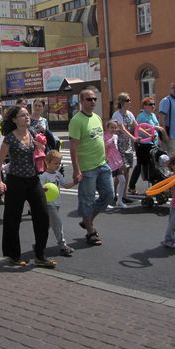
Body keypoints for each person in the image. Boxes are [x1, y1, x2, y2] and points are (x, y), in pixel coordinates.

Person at [0, 105, 55, 268]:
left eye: (27, 114)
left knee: (42, 215)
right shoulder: (10, 138)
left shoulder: (33, 133)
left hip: (33, 180)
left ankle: (40, 254)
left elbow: (42, 154)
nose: (27, 117)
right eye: (22, 115)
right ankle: (13, 255)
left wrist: (42, 149)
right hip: (15, 180)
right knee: (13, 219)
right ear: (14, 120)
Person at [68, 89, 114, 246]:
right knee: (87, 201)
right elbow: (73, 148)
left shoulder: (97, 117)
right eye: (89, 99)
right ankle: (90, 231)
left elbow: (99, 139)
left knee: (108, 195)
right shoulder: (76, 121)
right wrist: (76, 169)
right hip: (87, 169)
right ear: (81, 101)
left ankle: (87, 220)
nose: (93, 101)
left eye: (94, 99)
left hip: (102, 164)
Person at [38, 150, 77, 256]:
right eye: (55, 163)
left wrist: (75, 181)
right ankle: (63, 245)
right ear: (47, 162)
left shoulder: (58, 174)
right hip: (49, 204)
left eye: (59, 163)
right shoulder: (44, 176)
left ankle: (39, 245)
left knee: (48, 225)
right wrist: (43, 190)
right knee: (58, 224)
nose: (58, 165)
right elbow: (39, 190)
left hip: (57, 203)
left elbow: (66, 185)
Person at [129, 97, 169, 195]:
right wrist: (153, 129)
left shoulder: (153, 115)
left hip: (153, 144)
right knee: (141, 165)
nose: (153, 106)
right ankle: (132, 186)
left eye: (154, 104)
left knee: (154, 165)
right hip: (143, 145)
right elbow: (138, 132)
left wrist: (158, 137)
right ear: (145, 106)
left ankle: (156, 186)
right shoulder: (142, 117)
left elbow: (155, 130)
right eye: (150, 104)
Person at [111, 92, 139, 205]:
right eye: (128, 100)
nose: (130, 102)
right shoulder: (117, 115)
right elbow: (122, 129)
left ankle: (124, 195)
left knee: (127, 170)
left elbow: (136, 126)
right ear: (122, 102)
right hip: (119, 146)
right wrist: (134, 138)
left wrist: (148, 133)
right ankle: (114, 193)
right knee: (120, 171)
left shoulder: (130, 114)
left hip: (128, 146)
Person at [103, 120, 125, 208]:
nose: (113, 129)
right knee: (109, 183)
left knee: (122, 180)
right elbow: (103, 147)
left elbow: (117, 149)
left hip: (117, 161)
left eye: (115, 127)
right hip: (109, 162)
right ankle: (107, 201)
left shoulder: (116, 136)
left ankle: (120, 200)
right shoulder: (103, 136)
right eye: (111, 127)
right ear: (107, 128)